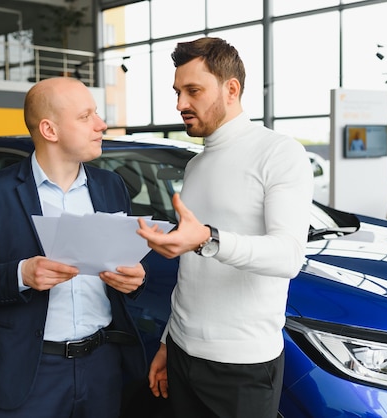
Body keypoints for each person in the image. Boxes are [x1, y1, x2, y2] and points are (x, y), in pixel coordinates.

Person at [0, 77, 147, 418]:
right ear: (49, 130)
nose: (101, 124)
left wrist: (135, 280)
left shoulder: (112, 186)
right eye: (86, 117)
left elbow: (127, 260)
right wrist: (22, 273)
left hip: (102, 367)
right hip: (30, 371)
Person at [137, 37, 313, 418]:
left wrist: (208, 239)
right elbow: (192, 272)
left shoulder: (279, 152)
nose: (181, 104)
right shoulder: (196, 165)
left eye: (193, 91)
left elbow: (288, 256)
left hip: (242, 368)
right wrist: (169, 341)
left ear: (231, 89)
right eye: (178, 92)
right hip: (182, 355)